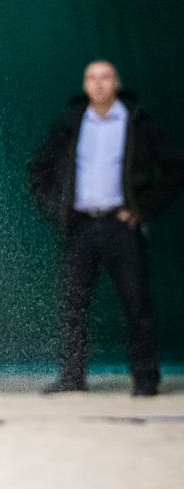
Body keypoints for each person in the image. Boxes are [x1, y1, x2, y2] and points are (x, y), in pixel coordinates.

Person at [29, 60, 183, 396]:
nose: (98, 84)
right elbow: (39, 169)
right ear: (85, 85)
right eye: (92, 78)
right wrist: (58, 209)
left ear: (117, 83)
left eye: (105, 77)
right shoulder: (70, 124)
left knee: (137, 303)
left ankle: (145, 380)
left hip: (121, 227)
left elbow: (175, 168)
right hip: (80, 227)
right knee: (73, 304)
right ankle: (72, 378)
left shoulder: (137, 123)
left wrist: (143, 208)